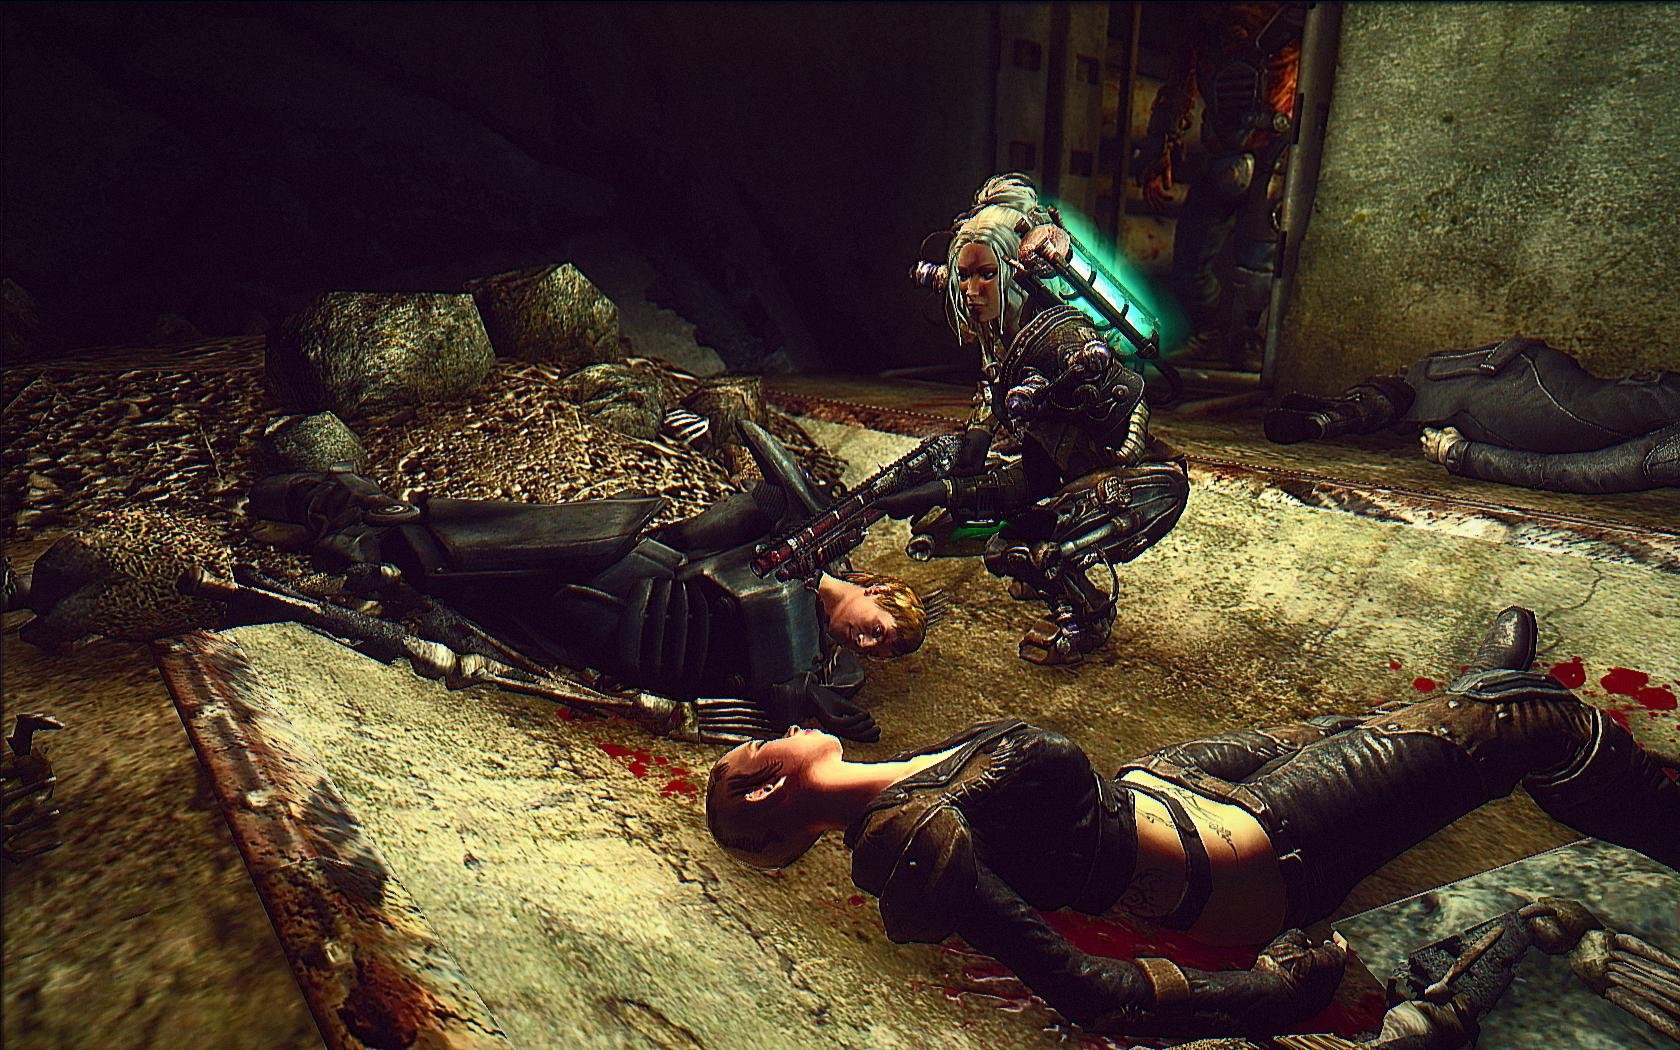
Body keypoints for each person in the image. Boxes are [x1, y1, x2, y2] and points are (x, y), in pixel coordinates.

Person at [705, 607, 1680, 1039]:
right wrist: (1266, 993)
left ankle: (1474, 696)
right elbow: (1086, 988)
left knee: (1359, 729)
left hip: (1172, 786)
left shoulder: (897, 789)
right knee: (1528, 729)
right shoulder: (909, 844)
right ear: (764, 796)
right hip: (1235, 856)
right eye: (755, 753)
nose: (777, 731)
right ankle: (1540, 732)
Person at [248, 423, 928, 742]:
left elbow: (773, 687)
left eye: (881, 649)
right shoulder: (800, 553)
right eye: (880, 628)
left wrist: (803, 690)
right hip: (637, 570)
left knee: (476, 589)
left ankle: (355, 525)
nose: (868, 643)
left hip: (632, 640)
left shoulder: (828, 673)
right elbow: (703, 545)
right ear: (875, 592)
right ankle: (350, 509)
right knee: (494, 549)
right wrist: (779, 509)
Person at [887, 174, 1189, 666]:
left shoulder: (1059, 338)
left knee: (1027, 549)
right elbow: (994, 390)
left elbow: (1117, 407)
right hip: (1065, 459)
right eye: (963, 276)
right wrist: (975, 443)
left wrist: (967, 485)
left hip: (1132, 479)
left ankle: (1086, 618)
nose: (970, 290)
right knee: (966, 529)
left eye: (985, 275)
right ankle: (1044, 574)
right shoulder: (1003, 331)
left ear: (1012, 272)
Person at [1264, 336, 1680, 493]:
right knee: (1568, 420)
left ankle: (1345, 411)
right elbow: (1571, 473)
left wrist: (1464, 455)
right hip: (1543, 394)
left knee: (1425, 398)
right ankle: (1348, 411)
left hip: (1547, 389)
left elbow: (1581, 472)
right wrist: (1463, 456)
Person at [1137, 2, 1308, 372]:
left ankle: (1250, 342)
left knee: (1258, 269)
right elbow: (1178, 87)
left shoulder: (1290, 16)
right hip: (1223, 153)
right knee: (1189, 262)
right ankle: (1211, 335)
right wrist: (1159, 149)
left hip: (1274, 153)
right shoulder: (1204, 21)